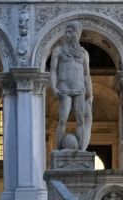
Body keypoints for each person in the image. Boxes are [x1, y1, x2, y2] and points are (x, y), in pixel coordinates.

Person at [49, 22, 92, 151]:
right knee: (63, 119)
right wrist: (53, 87)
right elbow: (53, 71)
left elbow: (86, 75)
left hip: (80, 89)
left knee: (81, 121)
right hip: (64, 89)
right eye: (67, 31)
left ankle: (81, 150)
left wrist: (90, 93)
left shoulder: (84, 53)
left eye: (72, 31)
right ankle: (59, 150)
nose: (69, 34)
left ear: (78, 33)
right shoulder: (58, 50)